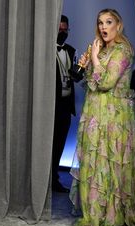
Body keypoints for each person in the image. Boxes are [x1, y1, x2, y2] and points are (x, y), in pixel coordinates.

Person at [69, 9, 135, 226]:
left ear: (118, 25)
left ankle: (119, 211)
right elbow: (90, 83)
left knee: (115, 161)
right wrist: (86, 64)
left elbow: (105, 83)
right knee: (97, 162)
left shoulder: (123, 51)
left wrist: (94, 59)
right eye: (100, 22)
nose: (103, 27)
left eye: (109, 22)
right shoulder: (103, 50)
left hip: (115, 116)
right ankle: (100, 211)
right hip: (95, 113)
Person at [52, 15, 76, 193]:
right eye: (60, 29)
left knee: (60, 144)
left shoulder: (71, 50)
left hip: (66, 106)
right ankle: (45, 180)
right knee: (49, 144)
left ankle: (54, 179)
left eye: (65, 30)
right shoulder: (45, 50)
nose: (63, 32)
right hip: (50, 105)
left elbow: (74, 73)